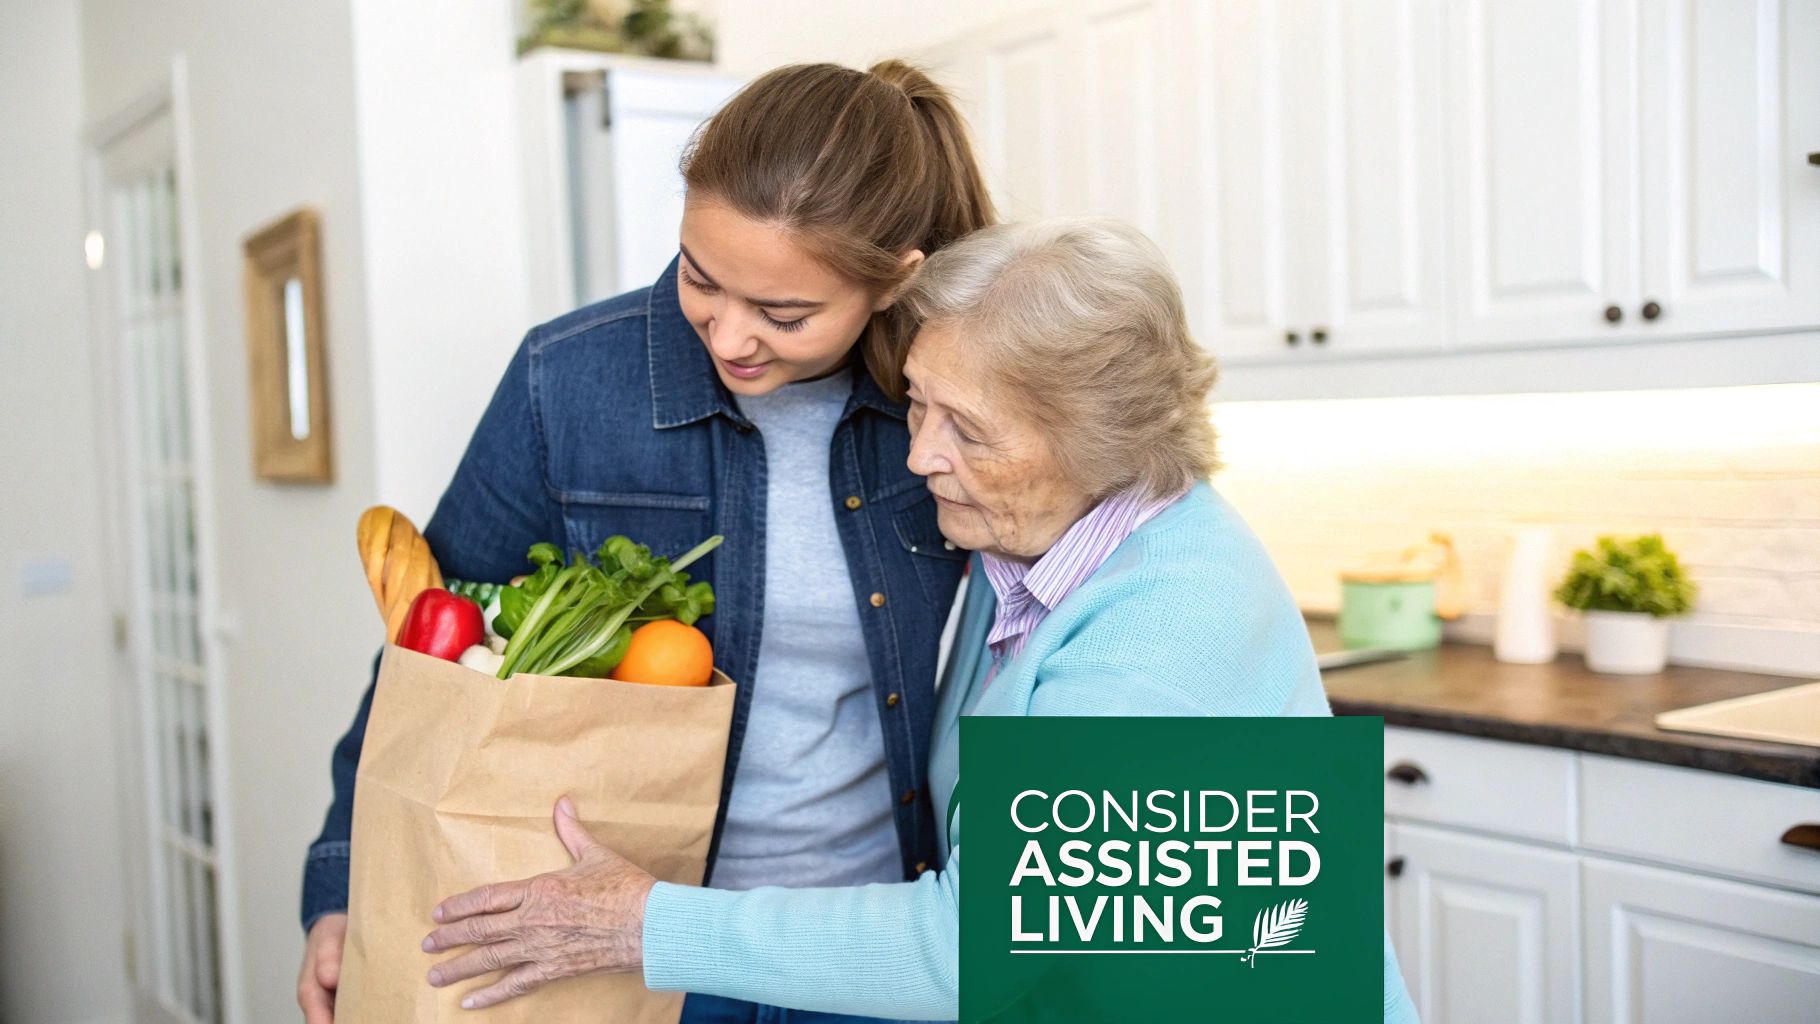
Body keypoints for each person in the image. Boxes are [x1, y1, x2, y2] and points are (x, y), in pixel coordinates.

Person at [415, 219, 1423, 1022]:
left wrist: (649, 923)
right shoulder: (1029, 549)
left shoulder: (1165, 631)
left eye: (967, 430)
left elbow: (976, 946)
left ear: (1093, 441)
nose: (917, 456)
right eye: (918, 406)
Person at [297, 60, 996, 1024]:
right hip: (619, 951)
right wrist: (340, 885)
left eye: (786, 315)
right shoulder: (568, 380)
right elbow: (429, 656)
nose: (731, 334)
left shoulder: (956, 416)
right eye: (700, 278)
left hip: (868, 955)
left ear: (894, 282)